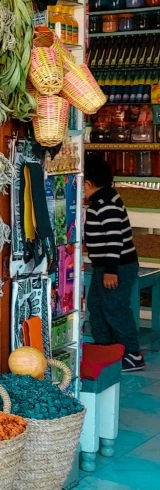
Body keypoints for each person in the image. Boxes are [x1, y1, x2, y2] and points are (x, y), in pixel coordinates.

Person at [83, 154, 144, 372]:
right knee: (97, 307)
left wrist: (110, 271)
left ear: (88, 183)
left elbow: (115, 238)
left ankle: (131, 353)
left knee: (115, 308)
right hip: (105, 266)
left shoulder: (105, 203)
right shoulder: (103, 199)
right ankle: (105, 349)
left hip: (116, 267)